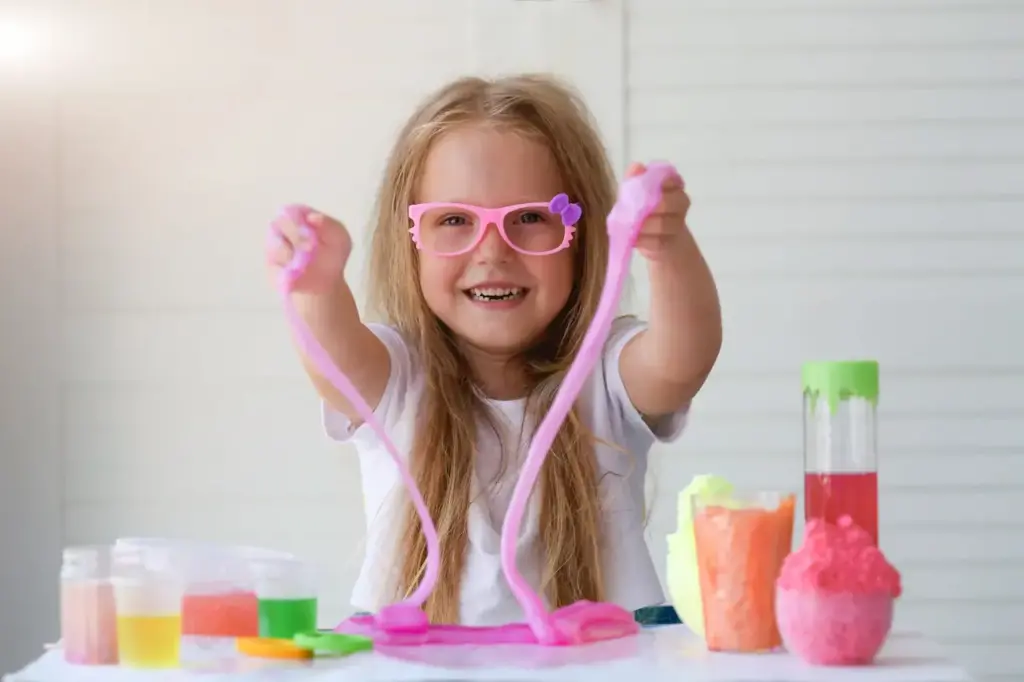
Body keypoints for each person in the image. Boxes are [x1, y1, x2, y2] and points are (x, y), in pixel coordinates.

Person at [265, 74, 722, 627]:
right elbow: (335, 360)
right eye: (454, 220)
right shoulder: (398, 377)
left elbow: (683, 359)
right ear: (408, 240)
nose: (491, 251)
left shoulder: (602, 373)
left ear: (584, 236)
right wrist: (318, 287)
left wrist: (668, 249)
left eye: (530, 218)